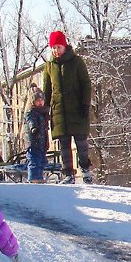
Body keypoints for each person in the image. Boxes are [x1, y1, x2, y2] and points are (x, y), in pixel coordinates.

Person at [41, 30, 93, 184]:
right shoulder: (49, 66)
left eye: (58, 47)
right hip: (59, 112)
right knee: (64, 145)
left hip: (77, 110)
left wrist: (85, 104)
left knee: (81, 144)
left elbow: (86, 84)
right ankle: (68, 174)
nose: (56, 51)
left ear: (64, 46)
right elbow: (47, 90)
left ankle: (86, 171)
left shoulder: (77, 62)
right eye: (53, 48)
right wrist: (45, 110)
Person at [25, 87, 50, 183]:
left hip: (42, 143)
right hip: (33, 142)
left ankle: (39, 176)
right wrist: (34, 128)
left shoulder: (43, 113)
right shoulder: (32, 112)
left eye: (41, 100)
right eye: (37, 100)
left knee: (42, 161)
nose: (40, 102)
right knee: (34, 160)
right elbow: (31, 121)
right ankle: (34, 178)